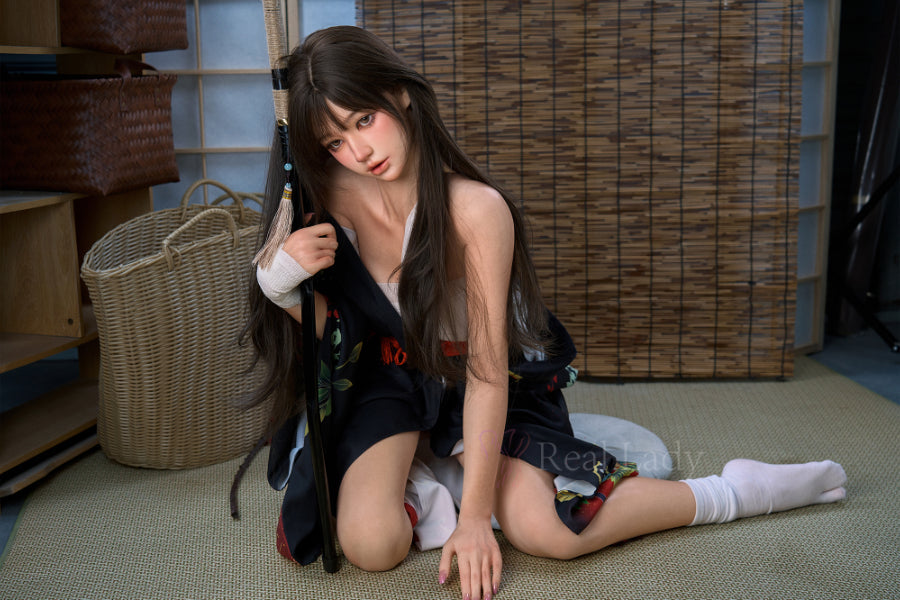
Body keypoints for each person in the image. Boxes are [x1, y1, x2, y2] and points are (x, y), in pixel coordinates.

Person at [244, 25, 847, 600]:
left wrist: (476, 521)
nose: (358, 151)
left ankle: (732, 491)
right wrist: (280, 284)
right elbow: (339, 334)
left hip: (476, 382)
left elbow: (486, 373)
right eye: (335, 141)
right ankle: (424, 480)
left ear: (399, 94)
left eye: (364, 120)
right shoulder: (330, 195)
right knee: (373, 545)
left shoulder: (475, 210)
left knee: (548, 533)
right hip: (388, 382)